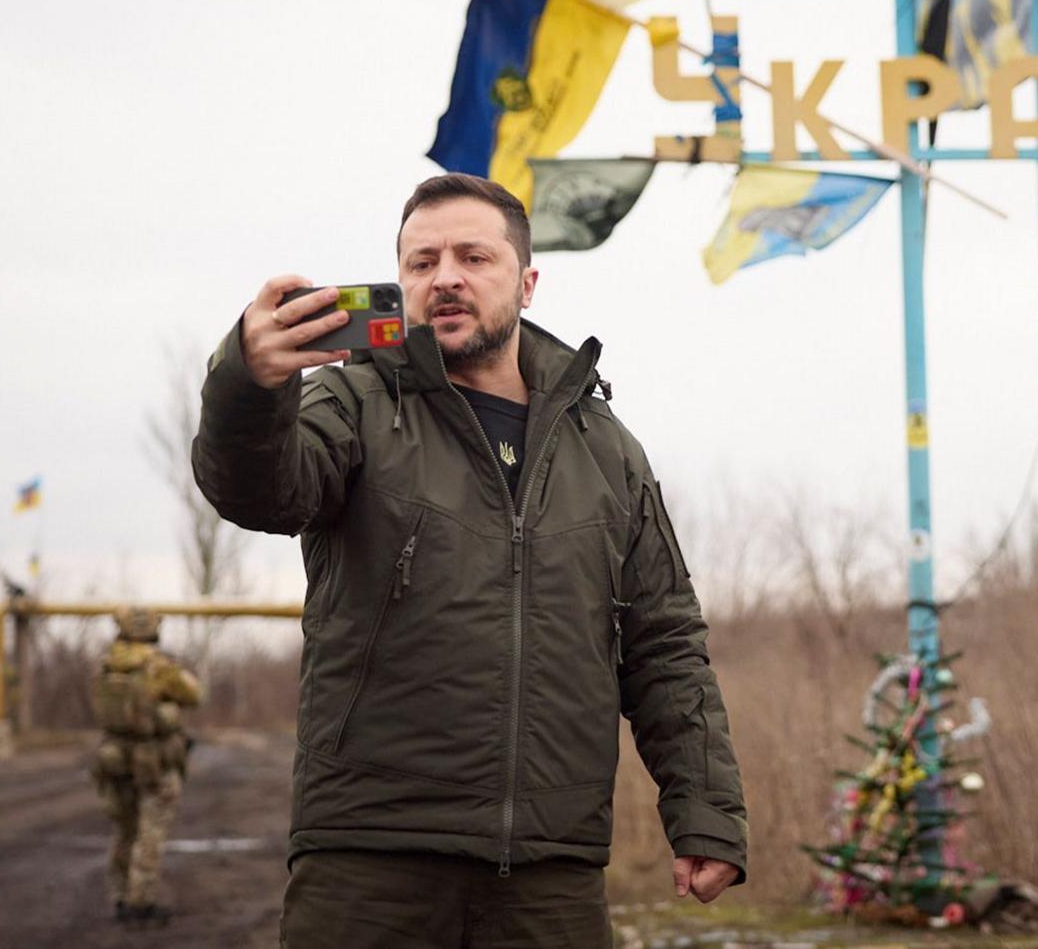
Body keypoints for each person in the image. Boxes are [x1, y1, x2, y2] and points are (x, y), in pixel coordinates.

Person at [192, 172, 748, 949]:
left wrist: (707, 811)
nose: (445, 277)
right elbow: (260, 492)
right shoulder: (352, 404)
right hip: (370, 865)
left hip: (550, 874)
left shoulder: (605, 449)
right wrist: (249, 386)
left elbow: (664, 643)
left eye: (472, 257)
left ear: (525, 283)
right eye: (421, 263)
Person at [90, 606, 202, 924]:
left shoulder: (105, 664)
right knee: (149, 832)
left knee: (124, 831)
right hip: (154, 761)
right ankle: (141, 902)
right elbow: (194, 694)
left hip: (113, 758)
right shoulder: (158, 666)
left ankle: (120, 897)